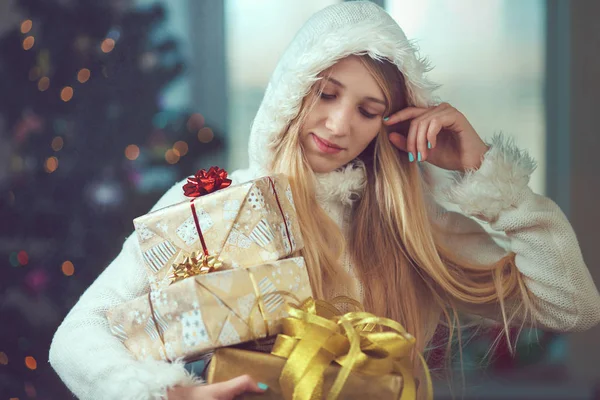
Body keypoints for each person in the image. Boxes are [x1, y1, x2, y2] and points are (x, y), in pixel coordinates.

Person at [49, 2, 600, 399]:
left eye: (368, 109)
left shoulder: (408, 228)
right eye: (326, 93)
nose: (338, 124)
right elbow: (74, 341)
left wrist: (485, 173)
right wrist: (169, 396)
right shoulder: (217, 203)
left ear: (392, 123)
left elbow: (573, 305)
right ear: (293, 88)